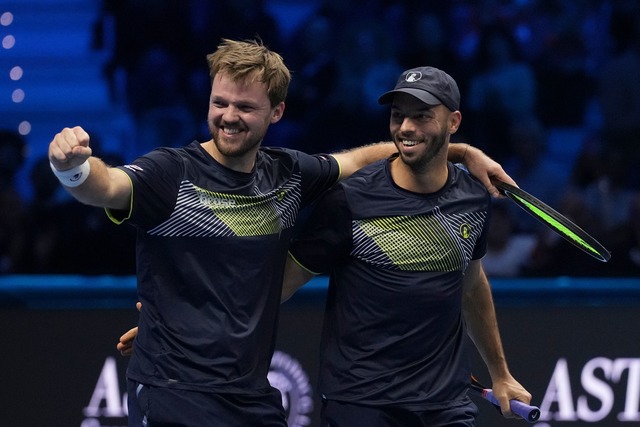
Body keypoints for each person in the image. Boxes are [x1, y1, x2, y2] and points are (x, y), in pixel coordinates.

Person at [50, 39, 511, 427]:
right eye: (220, 103)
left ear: (276, 112)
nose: (229, 116)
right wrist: (71, 168)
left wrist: (460, 152)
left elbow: (358, 159)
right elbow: (106, 186)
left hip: (251, 396)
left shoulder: (289, 174)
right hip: (175, 389)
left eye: (245, 106)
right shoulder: (168, 173)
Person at [281, 66, 532, 426]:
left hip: (446, 405)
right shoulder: (348, 200)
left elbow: (472, 284)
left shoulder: (473, 199)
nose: (406, 127)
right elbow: (282, 285)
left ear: (453, 121)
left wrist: (501, 373)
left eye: (422, 116)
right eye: (398, 116)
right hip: (361, 405)